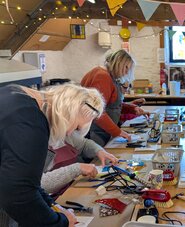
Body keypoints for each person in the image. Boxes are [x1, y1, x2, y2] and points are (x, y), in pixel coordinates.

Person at [0, 83, 104, 227]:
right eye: (76, 127)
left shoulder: (17, 95)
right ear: (71, 111)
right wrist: (60, 222)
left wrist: (54, 206)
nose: (68, 133)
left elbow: (29, 182)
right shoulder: (31, 122)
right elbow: (19, 193)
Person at [81, 49, 148, 146]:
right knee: (96, 160)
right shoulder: (102, 76)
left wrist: (132, 108)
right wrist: (118, 132)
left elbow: (112, 105)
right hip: (95, 132)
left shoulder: (110, 76)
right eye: (126, 68)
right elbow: (96, 111)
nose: (126, 72)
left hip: (104, 130)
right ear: (119, 63)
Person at [41, 133, 118, 196]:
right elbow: (40, 184)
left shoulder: (66, 133)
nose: (74, 130)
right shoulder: (37, 142)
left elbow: (84, 144)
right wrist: (77, 168)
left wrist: (99, 151)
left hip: (71, 188)